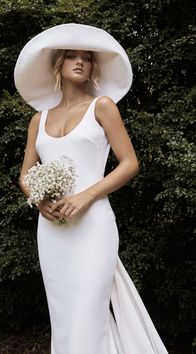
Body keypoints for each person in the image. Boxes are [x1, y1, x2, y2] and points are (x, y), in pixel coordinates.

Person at [15, 24, 168, 354]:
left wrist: (86, 195)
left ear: (93, 67)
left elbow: (130, 163)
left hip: (94, 226)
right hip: (53, 230)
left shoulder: (103, 106)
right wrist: (37, 199)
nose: (80, 62)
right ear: (58, 64)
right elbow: (25, 174)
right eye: (71, 56)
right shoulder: (38, 119)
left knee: (88, 314)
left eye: (86, 57)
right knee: (65, 317)